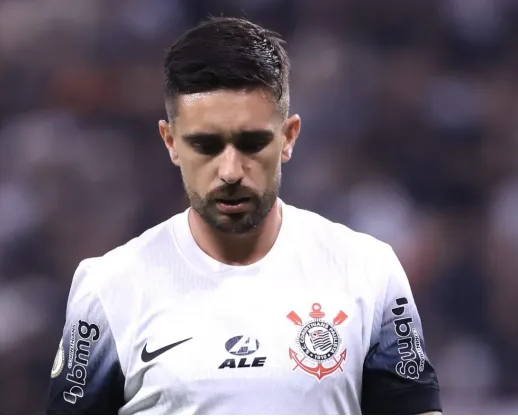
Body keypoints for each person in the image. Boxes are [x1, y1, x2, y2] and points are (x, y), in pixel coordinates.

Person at [46, 17, 442, 415]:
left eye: (252, 143)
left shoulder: (369, 273)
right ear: (171, 143)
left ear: (288, 137)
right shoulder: (108, 289)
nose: (231, 170)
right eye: (206, 145)